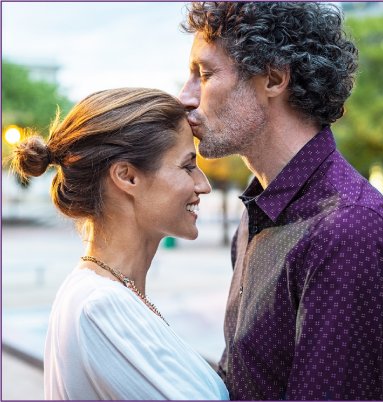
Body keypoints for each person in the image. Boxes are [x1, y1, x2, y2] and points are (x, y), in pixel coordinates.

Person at [178, 2, 383, 400]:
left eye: (204, 74)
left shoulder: (348, 230)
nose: (185, 97)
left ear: (275, 78)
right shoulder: (256, 216)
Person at [11, 87, 229, 400]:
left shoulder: (104, 296)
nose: (203, 184)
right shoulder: (99, 308)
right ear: (127, 177)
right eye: (187, 165)